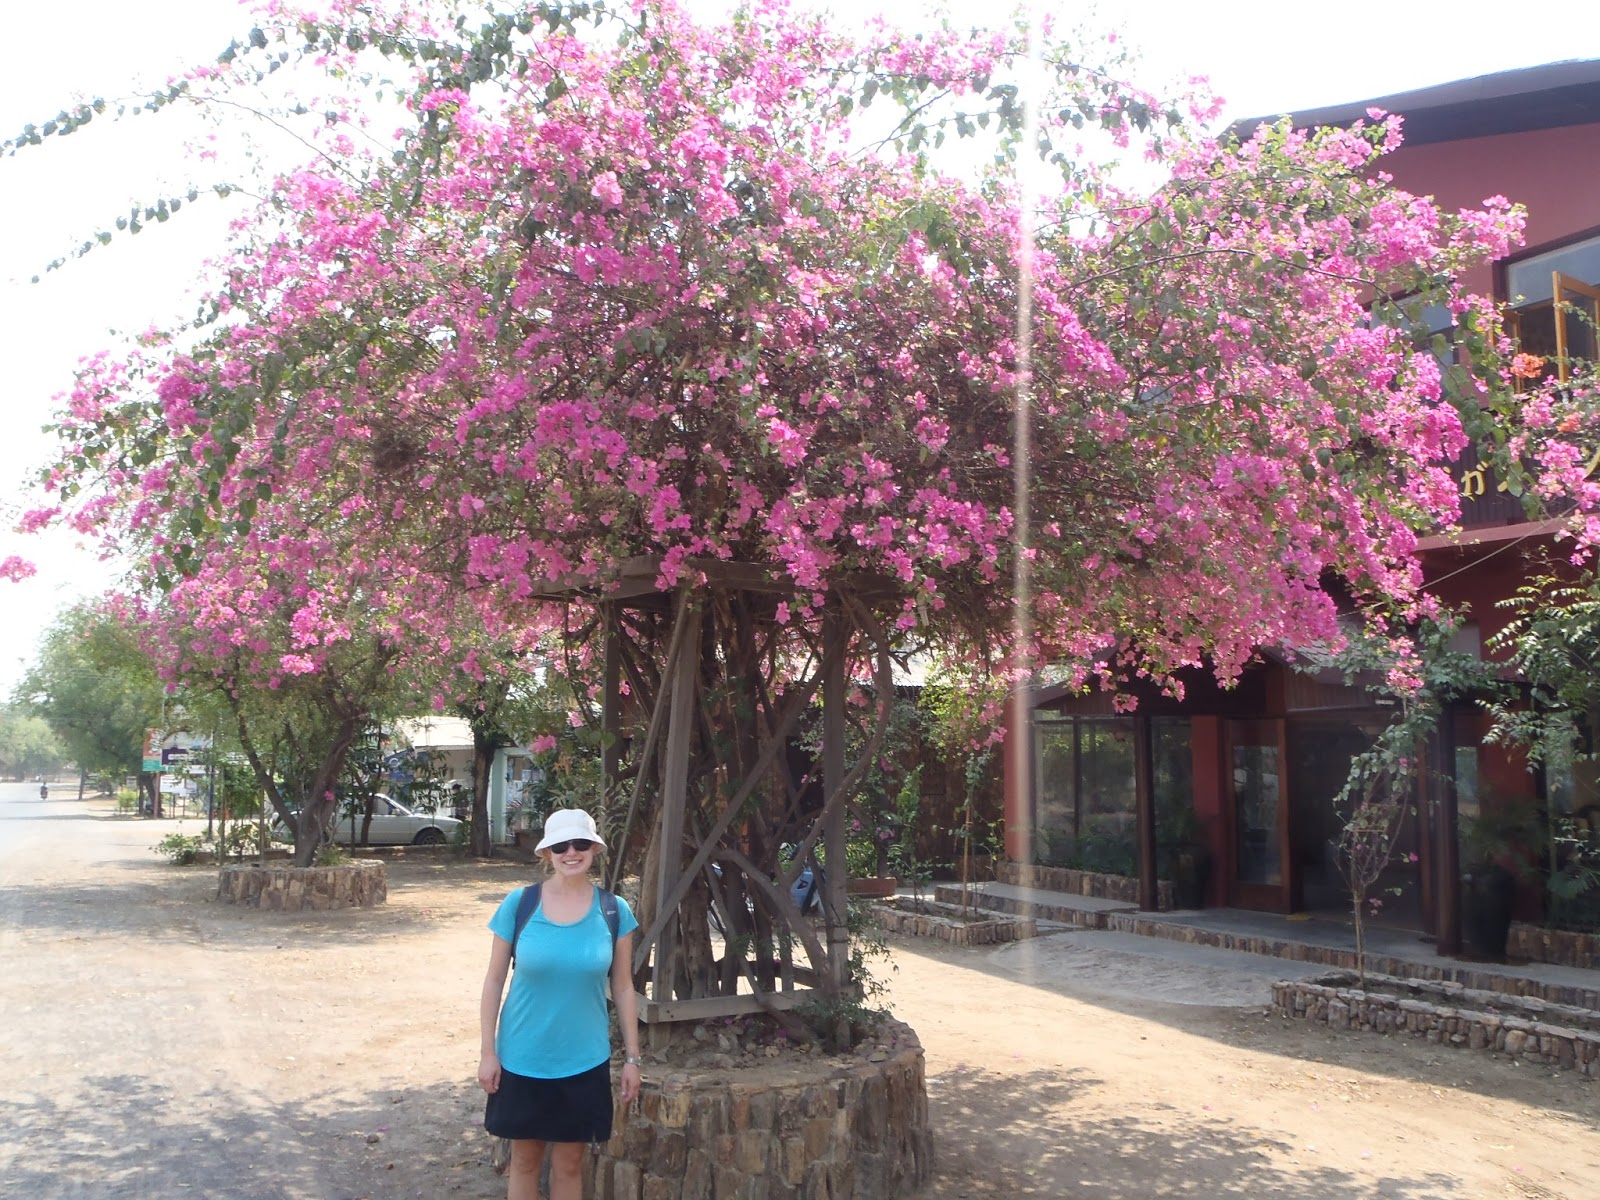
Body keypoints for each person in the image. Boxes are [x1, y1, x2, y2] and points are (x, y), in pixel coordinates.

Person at [479, 808, 642, 1200]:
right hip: (522, 1058)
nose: (571, 852)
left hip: (584, 1060)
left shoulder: (614, 910)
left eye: (580, 843)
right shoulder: (519, 905)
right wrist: (488, 1052)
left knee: (569, 1165)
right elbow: (494, 980)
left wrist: (633, 1059)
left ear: (594, 849)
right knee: (524, 1162)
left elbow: (623, 987)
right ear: (546, 853)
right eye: (560, 845)